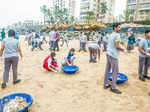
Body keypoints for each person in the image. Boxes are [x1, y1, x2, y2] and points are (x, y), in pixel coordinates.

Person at [104, 24, 124, 94]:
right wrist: (122, 49)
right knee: (115, 71)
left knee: (107, 69)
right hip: (113, 55)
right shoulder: (117, 35)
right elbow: (117, 46)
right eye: (118, 27)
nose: (119, 28)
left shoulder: (111, 34)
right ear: (115, 28)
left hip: (108, 53)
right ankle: (113, 87)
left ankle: (106, 84)